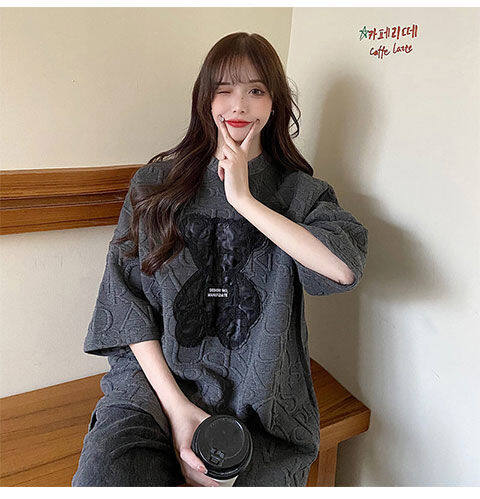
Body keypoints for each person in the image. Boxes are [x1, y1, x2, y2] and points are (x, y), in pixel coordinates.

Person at [71, 31, 368, 487]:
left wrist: (244, 199)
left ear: (275, 103)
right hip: (153, 389)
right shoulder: (154, 186)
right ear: (204, 99)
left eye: (256, 90)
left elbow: (342, 269)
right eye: (224, 89)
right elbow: (125, 306)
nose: (239, 105)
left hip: (261, 396)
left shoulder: (299, 193)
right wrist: (178, 410)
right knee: (106, 477)